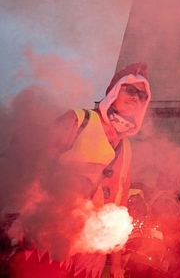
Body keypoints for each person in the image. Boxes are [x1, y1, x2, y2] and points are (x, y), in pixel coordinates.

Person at [11, 62, 151, 278]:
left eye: (142, 96)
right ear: (115, 90)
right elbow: (33, 170)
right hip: (50, 237)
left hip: (91, 253)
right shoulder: (78, 120)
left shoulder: (128, 148)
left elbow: (119, 207)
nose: (136, 98)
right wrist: (23, 223)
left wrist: (115, 262)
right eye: (130, 90)